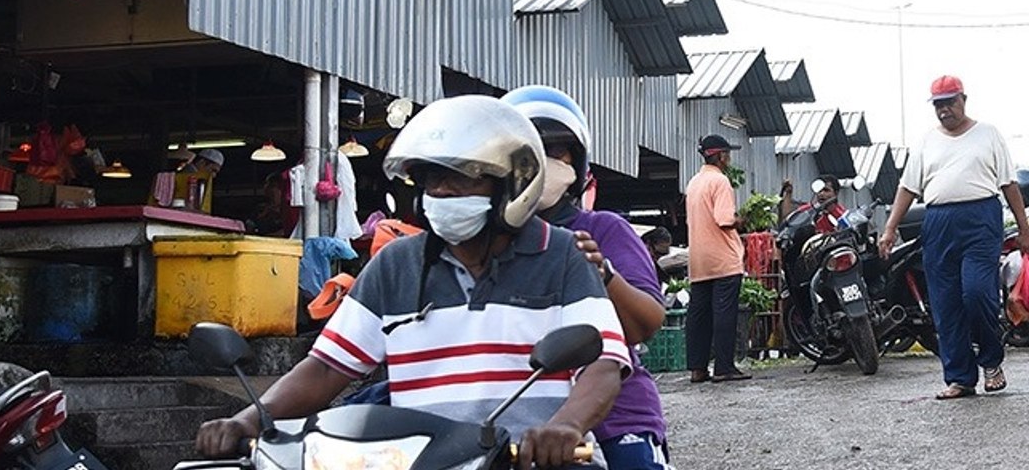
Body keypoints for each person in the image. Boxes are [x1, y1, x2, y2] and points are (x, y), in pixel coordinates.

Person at [195, 95, 631, 469]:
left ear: (511, 182)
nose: (439, 192)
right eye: (429, 177)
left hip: (532, 461)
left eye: (460, 176)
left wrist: (565, 426)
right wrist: (250, 419)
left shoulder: (562, 255)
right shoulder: (395, 266)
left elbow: (603, 364)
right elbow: (328, 367)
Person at [503, 84, 672, 469]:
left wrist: (603, 274)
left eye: (556, 151)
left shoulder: (602, 229)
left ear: (577, 164)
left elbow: (645, 323)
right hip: (513, 420)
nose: (543, 163)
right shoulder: (485, 244)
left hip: (615, 417)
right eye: (528, 152)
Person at [877, 75, 1029, 400]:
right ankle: (960, 377)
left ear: (964, 99)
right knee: (945, 304)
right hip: (939, 224)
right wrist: (890, 229)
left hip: (981, 220)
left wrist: (1024, 228)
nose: (945, 109)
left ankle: (991, 362)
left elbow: (1008, 184)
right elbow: (907, 188)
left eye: (950, 102)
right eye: (938, 104)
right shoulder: (926, 142)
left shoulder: (988, 135)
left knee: (976, 294)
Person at [684, 133, 750, 383]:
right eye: (728, 154)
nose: (729, 158)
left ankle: (697, 369)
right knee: (725, 313)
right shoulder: (720, 181)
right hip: (722, 258)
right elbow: (724, 220)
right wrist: (741, 219)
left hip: (699, 259)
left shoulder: (694, 182)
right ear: (721, 156)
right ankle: (724, 367)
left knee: (698, 314)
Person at [778, 174, 847, 234]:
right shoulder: (808, 210)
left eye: (826, 190)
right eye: (819, 190)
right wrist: (788, 193)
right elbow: (789, 220)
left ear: (836, 193)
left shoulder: (843, 215)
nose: (821, 194)